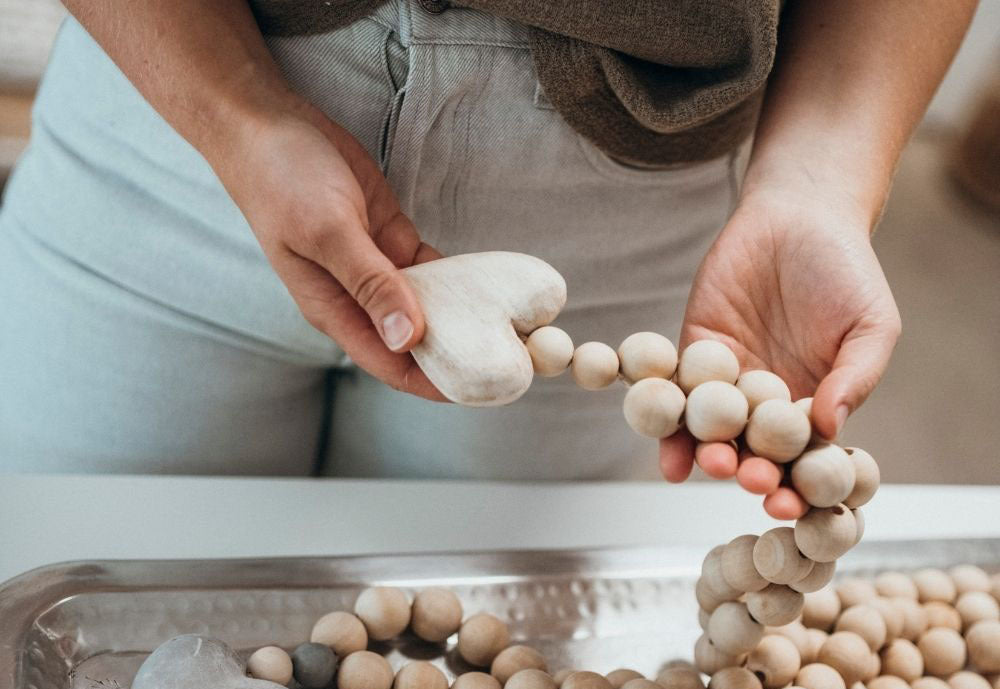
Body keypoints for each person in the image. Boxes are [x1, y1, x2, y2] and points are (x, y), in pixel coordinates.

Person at [0, 0, 975, 516]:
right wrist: (235, 115)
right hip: (177, 106)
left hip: (626, 195)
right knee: (75, 663)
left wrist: (815, 185)